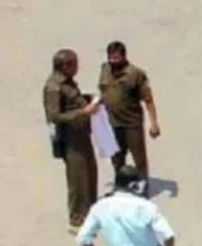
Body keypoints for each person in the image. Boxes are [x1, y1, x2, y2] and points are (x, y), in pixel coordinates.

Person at [43, 48, 100, 234]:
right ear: (65, 66)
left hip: (82, 134)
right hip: (70, 139)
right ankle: (77, 219)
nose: (78, 66)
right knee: (78, 179)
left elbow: (71, 101)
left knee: (90, 172)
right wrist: (83, 112)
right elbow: (54, 116)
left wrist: (87, 99)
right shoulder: (54, 87)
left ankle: (92, 211)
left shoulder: (67, 82)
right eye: (74, 63)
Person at [98, 41, 160, 179]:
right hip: (112, 123)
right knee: (116, 157)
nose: (113, 61)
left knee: (139, 158)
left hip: (132, 123)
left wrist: (154, 123)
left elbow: (148, 100)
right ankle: (120, 184)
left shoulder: (135, 74)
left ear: (124, 57)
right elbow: (104, 91)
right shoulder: (104, 69)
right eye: (110, 57)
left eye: (116, 58)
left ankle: (142, 186)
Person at [76, 165, 175, 246]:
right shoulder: (147, 207)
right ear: (133, 186)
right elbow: (168, 236)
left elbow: (82, 238)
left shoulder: (99, 207)